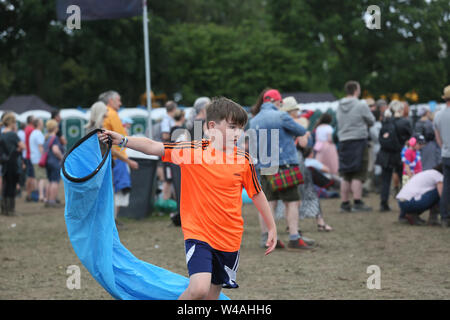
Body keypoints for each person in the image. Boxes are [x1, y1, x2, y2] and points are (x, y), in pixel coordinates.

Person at [98, 97, 277, 300]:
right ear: (212, 126)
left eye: (241, 128)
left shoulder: (243, 159)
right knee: (198, 289)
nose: (238, 133)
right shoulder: (191, 151)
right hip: (198, 234)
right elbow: (154, 146)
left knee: (211, 296)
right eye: (233, 127)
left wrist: (271, 227)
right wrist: (123, 140)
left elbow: (257, 193)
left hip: (230, 238)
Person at [249, 88, 314, 250]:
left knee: (268, 203)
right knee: (291, 202)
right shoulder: (281, 116)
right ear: (276, 102)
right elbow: (301, 131)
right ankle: (294, 237)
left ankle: (267, 237)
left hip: (264, 165)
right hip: (284, 164)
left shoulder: (254, 120)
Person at [99, 91, 139, 227]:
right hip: (117, 158)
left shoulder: (103, 115)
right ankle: (113, 219)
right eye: (118, 100)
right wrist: (127, 160)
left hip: (107, 157)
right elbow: (119, 140)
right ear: (110, 101)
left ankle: (110, 219)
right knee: (118, 188)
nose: (120, 103)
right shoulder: (111, 114)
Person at [336, 81, 375, 212]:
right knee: (358, 173)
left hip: (343, 141)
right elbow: (371, 120)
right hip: (358, 140)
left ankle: (345, 203)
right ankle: (357, 202)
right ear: (356, 91)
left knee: (345, 174)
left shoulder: (339, 105)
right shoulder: (361, 105)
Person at [376, 100, 412, 213]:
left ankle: (383, 203)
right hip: (400, 154)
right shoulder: (404, 122)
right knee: (404, 179)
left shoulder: (385, 121)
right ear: (401, 110)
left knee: (386, 180)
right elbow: (411, 137)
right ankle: (405, 203)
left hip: (385, 154)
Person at [0, 113, 25, 215]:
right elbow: (23, 146)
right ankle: (11, 210)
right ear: (12, 123)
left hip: (4, 163)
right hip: (13, 162)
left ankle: (4, 209)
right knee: (12, 185)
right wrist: (17, 150)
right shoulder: (13, 135)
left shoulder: (2, 134)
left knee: (5, 185)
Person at [433, 84, 450, 227]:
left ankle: (444, 217)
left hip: (446, 154)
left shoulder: (438, 115)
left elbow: (438, 140)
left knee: (446, 187)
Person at [43, 120, 64, 208]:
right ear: (55, 128)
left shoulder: (47, 138)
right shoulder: (54, 138)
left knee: (50, 181)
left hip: (48, 162)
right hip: (55, 162)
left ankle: (47, 200)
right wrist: (62, 157)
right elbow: (55, 150)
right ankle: (52, 201)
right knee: (55, 182)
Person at [160, 101, 178, 201]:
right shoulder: (166, 120)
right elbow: (165, 136)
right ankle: (163, 203)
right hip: (168, 151)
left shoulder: (170, 119)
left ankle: (172, 201)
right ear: (174, 109)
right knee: (168, 179)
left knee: (172, 178)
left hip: (172, 151)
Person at [415, 105, 441, 170]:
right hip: (430, 147)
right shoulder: (429, 123)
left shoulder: (417, 123)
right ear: (426, 112)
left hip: (420, 147)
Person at [29, 118, 47, 202]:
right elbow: (41, 147)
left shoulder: (33, 133)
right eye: (42, 122)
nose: (43, 124)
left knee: (38, 178)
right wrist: (44, 157)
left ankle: (37, 194)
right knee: (42, 177)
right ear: (39, 124)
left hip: (34, 158)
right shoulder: (39, 133)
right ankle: (41, 196)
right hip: (39, 159)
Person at [24, 115, 35, 201]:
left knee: (30, 176)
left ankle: (29, 194)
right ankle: (29, 195)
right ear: (31, 121)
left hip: (28, 154)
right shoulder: (31, 129)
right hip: (30, 155)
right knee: (31, 176)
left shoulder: (27, 128)